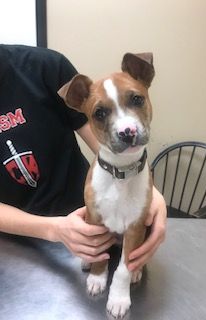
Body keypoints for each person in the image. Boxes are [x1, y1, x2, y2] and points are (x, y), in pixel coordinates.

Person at [0, 44, 166, 272]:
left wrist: (146, 190)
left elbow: (108, 144)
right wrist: (53, 229)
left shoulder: (45, 66)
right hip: (13, 240)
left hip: (88, 219)